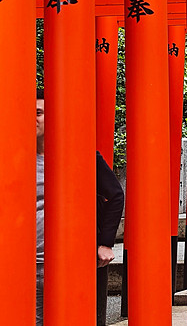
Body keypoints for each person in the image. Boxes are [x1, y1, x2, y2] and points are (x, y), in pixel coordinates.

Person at [36, 89, 125, 326]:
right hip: (26, 262)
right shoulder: (13, 155)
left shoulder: (79, 155)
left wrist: (105, 242)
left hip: (70, 261)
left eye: (38, 113)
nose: (32, 118)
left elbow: (115, 195)